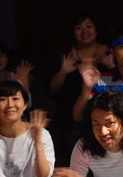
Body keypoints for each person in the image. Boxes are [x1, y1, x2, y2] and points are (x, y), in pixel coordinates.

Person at [47, 15, 111, 165]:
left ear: (97, 29)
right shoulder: (68, 55)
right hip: (69, 121)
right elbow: (52, 91)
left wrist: (111, 66)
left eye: (89, 26)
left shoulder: (108, 53)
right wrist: (63, 71)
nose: (84, 31)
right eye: (79, 27)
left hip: (104, 118)